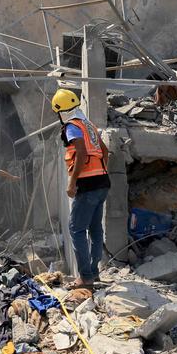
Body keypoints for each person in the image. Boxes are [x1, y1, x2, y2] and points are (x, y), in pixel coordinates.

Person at [51, 88, 110, 291]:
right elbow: (104, 150)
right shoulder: (88, 124)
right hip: (102, 182)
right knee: (95, 229)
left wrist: (72, 182)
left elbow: (81, 152)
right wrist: (102, 171)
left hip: (87, 185)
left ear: (61, 110)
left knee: (76, 229)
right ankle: (93, 272)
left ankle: (85, 278)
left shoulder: (72, 127)